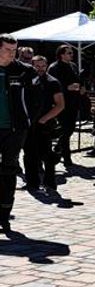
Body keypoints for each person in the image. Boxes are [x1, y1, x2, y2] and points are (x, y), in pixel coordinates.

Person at [1, 35, 40, 230]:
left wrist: (28, 120)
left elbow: (37, 98)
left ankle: (4, 213)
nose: (12, 53)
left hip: (14, 129)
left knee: (9, 169)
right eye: (7, 49)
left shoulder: (25, 71)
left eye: (14, 50)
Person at [23, 55, 64, 192]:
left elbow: (60, 105)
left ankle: (50, 182)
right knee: (29, 155)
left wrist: (44, 119)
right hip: (29, 123)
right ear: (32, 65)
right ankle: (32, 183)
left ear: (46, 66)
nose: (40, 69)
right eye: (37, 66)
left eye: (43, 66)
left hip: (45, 124)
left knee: (46, 155)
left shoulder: (53, 82)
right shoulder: (27, 80)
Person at [47, 44, 82, 168]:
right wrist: (67, 88)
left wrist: (80, 87)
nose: (72, 55)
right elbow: (51, 84)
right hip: (61, 102)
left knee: (69, 128)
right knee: (65, 128)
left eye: (72, 53)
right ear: (61, 54)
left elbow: (77, 79)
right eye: (69, 53)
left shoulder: (73, 66)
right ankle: (66, 158)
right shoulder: (54, 67)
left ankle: (58, 147)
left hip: (73, 102)